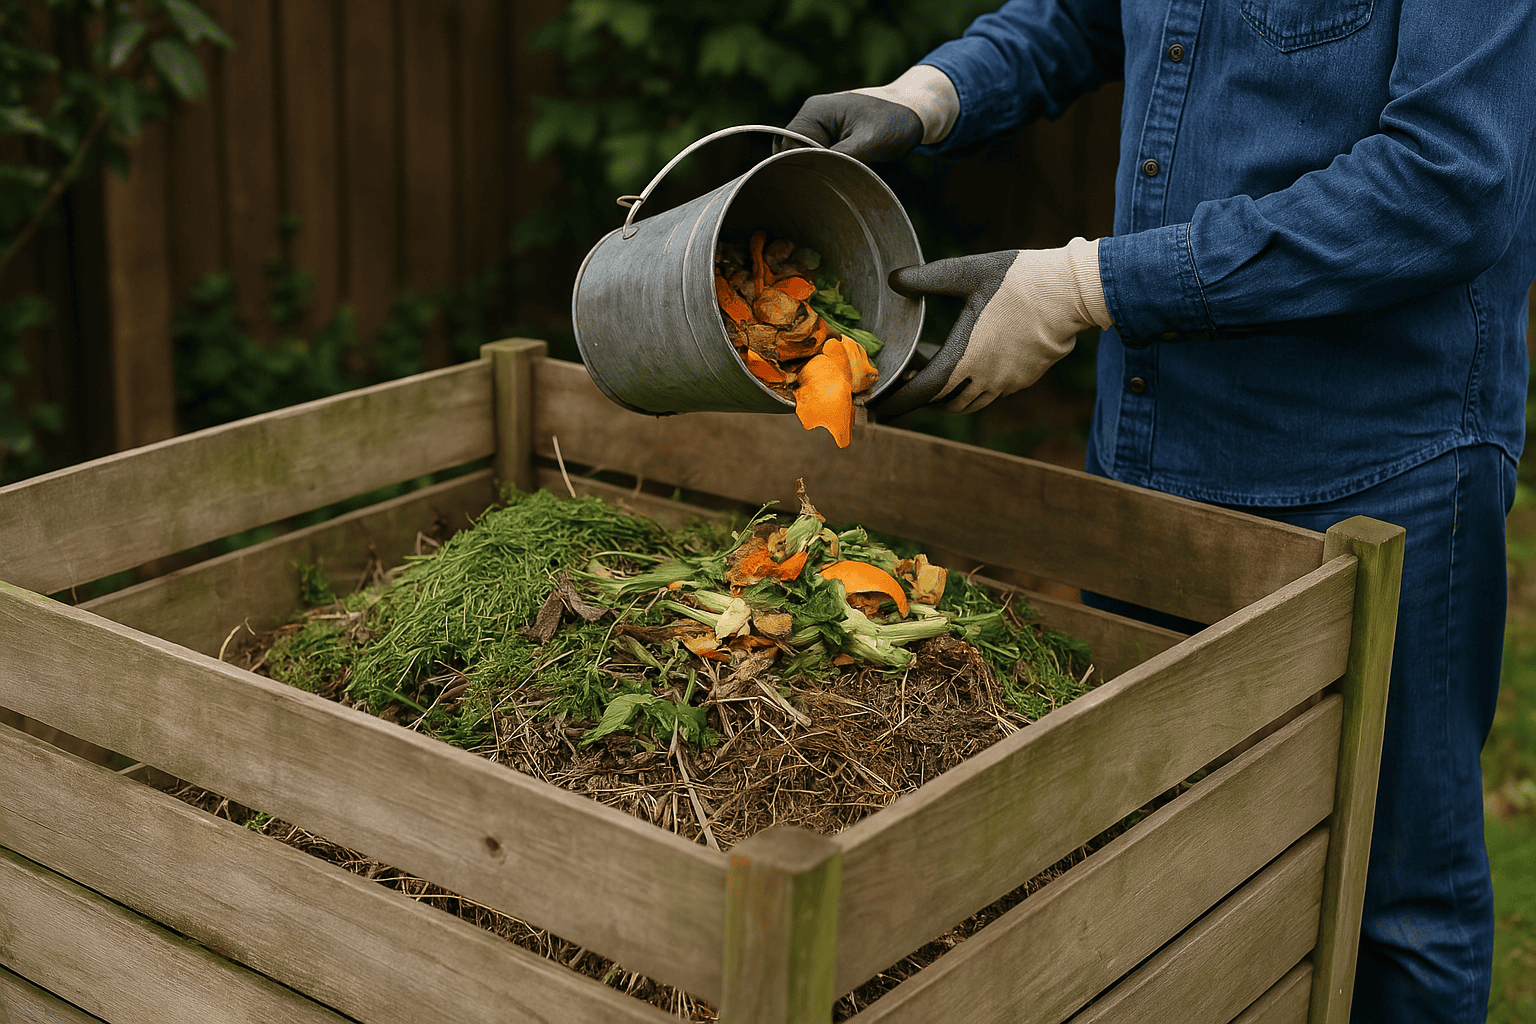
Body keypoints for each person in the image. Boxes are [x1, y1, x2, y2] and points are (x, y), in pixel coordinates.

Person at [781, 3, 1536, 1022]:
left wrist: (1083, 288)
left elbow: (1449, 183)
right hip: (1149, 450)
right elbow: (1084, 15)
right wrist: (930, 93)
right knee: (1164, 867)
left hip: (1377, 471)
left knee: (1395, 907)